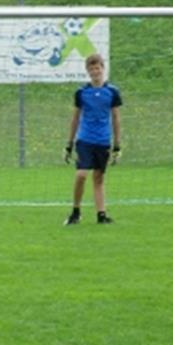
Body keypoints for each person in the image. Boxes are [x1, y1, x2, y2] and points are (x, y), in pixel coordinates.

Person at [64, 52, 122, 225]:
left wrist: (117, 145)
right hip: (85, 140)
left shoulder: (112, 92)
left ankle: (101, 215)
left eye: (98, 68)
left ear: (103, 69)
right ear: (88, 72)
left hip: (103, 140)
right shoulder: (81, 92)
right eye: (92, 69)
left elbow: (116, 118)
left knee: (98, 178)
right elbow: (75, 118)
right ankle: (76, 211)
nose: (95, 72)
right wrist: (69, 143)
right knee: (81, 175)